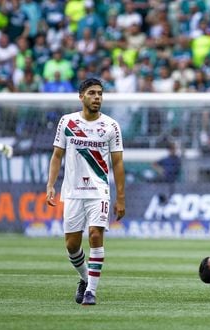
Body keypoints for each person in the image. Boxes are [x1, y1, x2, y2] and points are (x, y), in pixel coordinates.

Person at [46, 78, 125, 306]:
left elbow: (118, 163)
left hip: (99, 191)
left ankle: (91, 291)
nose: (97, 97)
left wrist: (120, 197)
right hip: (72, 191)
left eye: (100, 93)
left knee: (95, 235)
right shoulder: (67, 122)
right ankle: (84, 278)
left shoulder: (111, 126)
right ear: (82, 97)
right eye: (92, 93)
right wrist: (50, 185)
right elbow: (57, 155)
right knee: (71, 245)